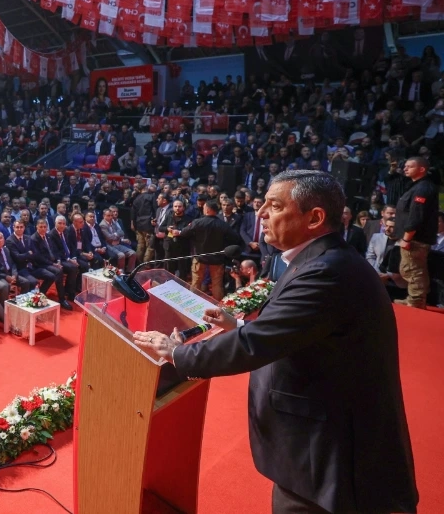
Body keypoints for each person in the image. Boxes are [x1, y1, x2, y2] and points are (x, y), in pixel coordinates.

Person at [134, 170, 418, 514]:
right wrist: (236, 323)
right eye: (263, 204)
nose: (261, 214)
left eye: (274, 206)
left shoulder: (327, 272)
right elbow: (295, 331)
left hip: (332, 460)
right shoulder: (321, 261)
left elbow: (257, 343)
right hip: (326, 446)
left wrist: (177, 352)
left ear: (314, 217)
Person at [169, 199, 242, 300]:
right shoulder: (223, 224)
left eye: (204, 208)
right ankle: (218, 307)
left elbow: (184, 233)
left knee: (196, 283)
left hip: (200, 258)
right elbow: (235, 238)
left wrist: (178, 232)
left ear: (207, 209)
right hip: (217, 259)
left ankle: (191, 303)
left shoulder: (198, 222)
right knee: (217, 284)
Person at [394, 157, 438, 308]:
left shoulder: (423, 188)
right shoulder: (416, 186)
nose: (405, 169)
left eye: (409, 166)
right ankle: (414, 298)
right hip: (414, 237)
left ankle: (416, 301)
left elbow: (416, 215)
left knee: (413, 269)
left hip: (415, 238)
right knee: (411, 268)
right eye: (405, 166)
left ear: (421, 169)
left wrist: (407, 238)